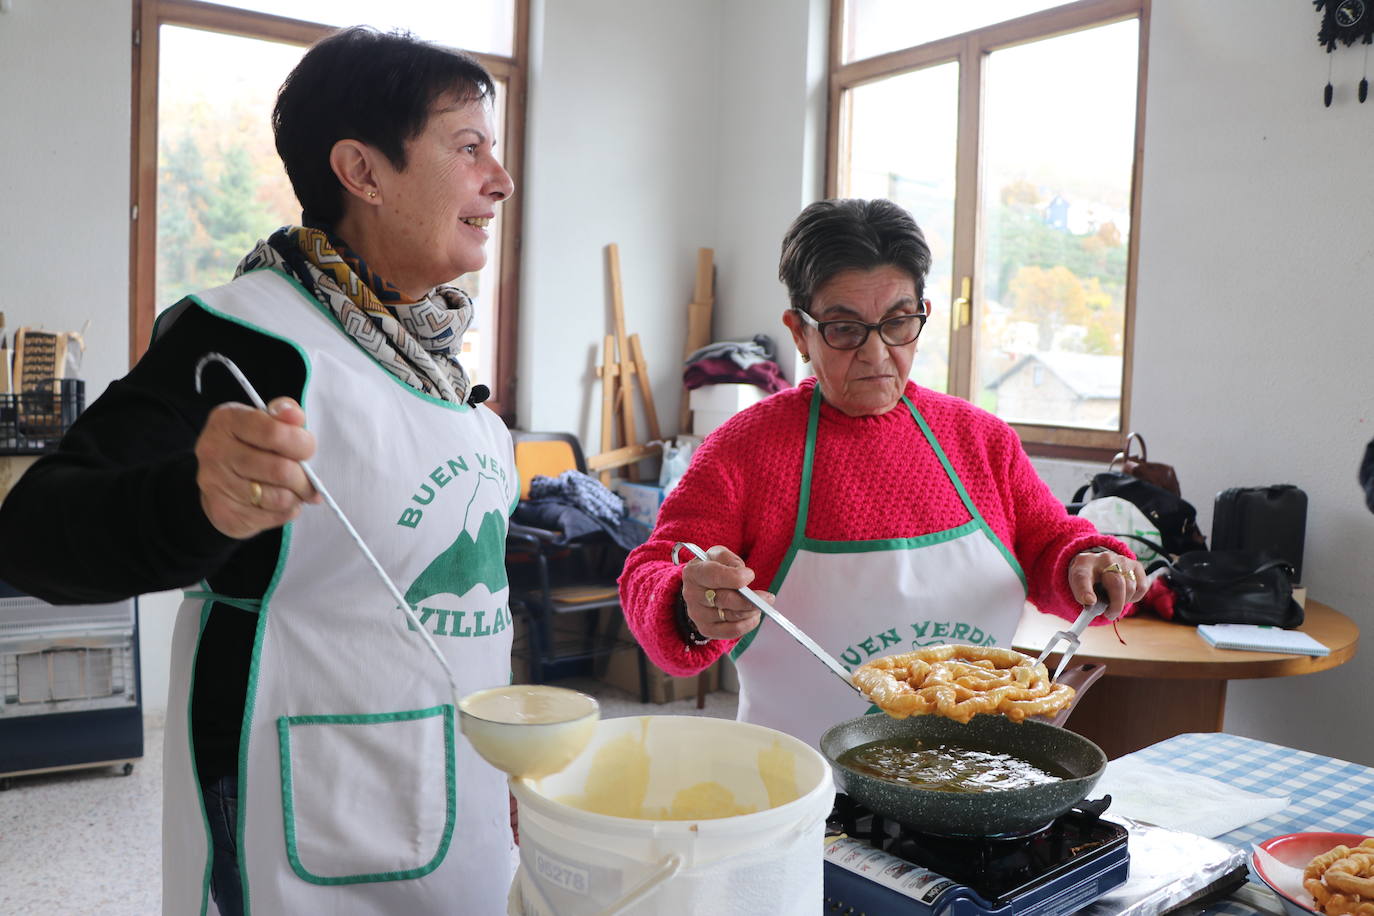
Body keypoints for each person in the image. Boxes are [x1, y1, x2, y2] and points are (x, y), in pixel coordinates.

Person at [0, 27, 517, 915]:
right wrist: (194, 504)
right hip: (308, 834)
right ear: (363, 170)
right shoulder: (241, 339)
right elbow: (35, 532)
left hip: (463, 815)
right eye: (468, 148)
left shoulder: (436, 355)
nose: (499, 179)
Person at [618, 198, 1148, 749]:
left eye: (897, 323)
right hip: (798, 783)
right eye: (845, 329)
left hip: (969, 774)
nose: (875, 354)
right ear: (799, 333)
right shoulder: (743, 450)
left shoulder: (981, 440)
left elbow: (1053, 546)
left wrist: (1090, 564)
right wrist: (686, 600)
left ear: (922, 313)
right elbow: (653, 569)